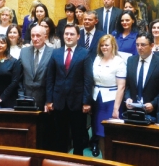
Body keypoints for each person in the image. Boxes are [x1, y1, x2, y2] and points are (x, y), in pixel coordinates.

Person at [46, 24, 93, 155]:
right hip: (59, 101)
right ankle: (61, 161)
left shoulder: (85, 53)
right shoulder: (55, 53)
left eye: (72, 34)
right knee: (60, 136)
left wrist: (86, 102)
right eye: (66, 34)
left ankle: (77, 162)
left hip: (77, 102)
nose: (68, 36)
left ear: (78, 36)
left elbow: (88, 80)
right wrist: (49, 100)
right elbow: (50, 78)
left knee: (78, 136)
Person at [91, 34, 126, 156]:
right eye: (102, 45)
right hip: (97, 99)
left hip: (111, 101)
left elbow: (121, 86)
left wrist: (116, 109)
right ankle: (103, 159)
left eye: (107, 45)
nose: (104, 47)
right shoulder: (97, 58)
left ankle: (111, 160)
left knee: (110, 133)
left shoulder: (119, 61)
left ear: (113, 46)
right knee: (99, 132)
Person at [124, 32, 159, 119]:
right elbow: (128, 85)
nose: (139, 47)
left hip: (152, 112)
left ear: (152, 45)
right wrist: (128, 98)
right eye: (137, 45)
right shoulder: (131, 60)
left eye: (143, 45)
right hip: (132, 110)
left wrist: (154, 103)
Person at [18, 25, 53, 111]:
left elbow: (54, 79)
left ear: (45, 37)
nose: (35, 38)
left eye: (38, 35)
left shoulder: (53, 52)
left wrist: (49, 101)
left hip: (44, 101)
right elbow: (19, 77)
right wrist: (21, 96)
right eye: (32, 36)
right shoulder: (24, 52)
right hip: (25, 99)